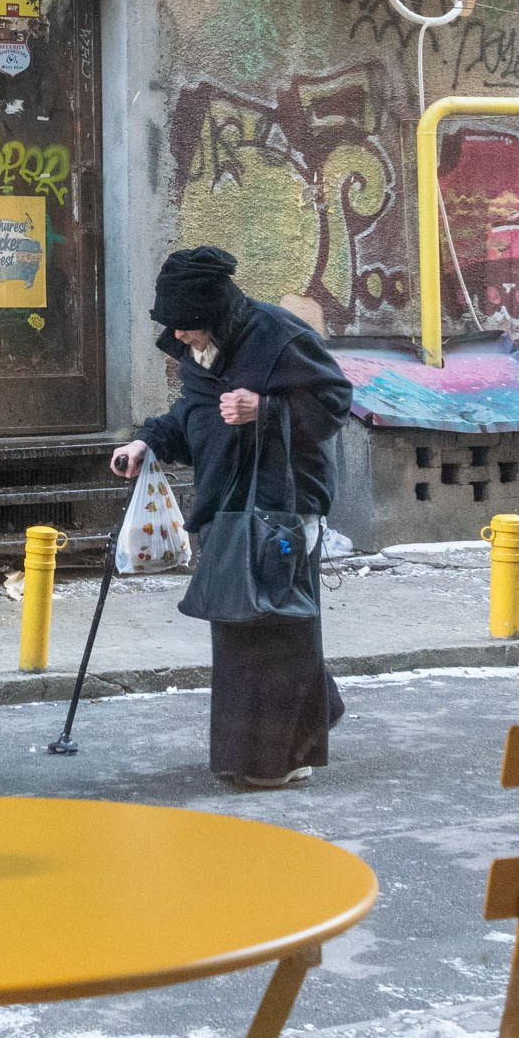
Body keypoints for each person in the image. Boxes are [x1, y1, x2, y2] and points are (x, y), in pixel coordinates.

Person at [111, 246, 354, 789]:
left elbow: (336, 402)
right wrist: (148, 442)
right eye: (172, 327)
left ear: (213, 315)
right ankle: (256, 747)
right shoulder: (199, 350)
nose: (179, 338)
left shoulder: (278, 334)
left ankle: (278, 760)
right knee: (238, 624)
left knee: (276, 625)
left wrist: (263, 410)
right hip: (225, 506)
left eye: (187, 327)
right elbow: (191, 414)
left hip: (284, 509)